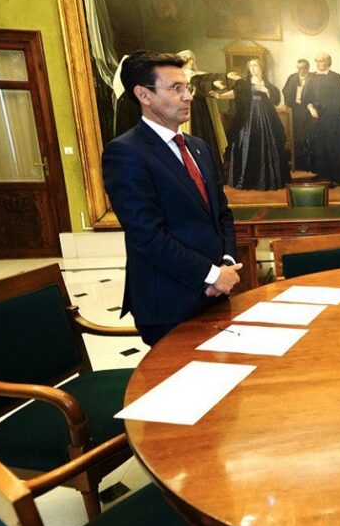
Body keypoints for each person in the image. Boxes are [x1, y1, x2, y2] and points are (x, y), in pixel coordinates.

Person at [102, 50, 241, 346]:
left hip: (216, 295)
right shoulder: (125, 152)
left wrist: (226, 264)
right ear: (144, 94)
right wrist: (211, 274)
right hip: (169, 302)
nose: (188, 96)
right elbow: (147, 236)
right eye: (176, 89)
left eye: (187, 87)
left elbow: (222, 213)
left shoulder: (198, 146)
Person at [216, 58, 290, 191]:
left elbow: (276, 100)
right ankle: (248, 180)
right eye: (251, 66)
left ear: (261, 67)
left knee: (270, 144)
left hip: (267, 117)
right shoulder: (245, 83)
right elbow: (235, 93)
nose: (253, 68)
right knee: (247, 143)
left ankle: (271, 179)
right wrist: (220, 96)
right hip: (249, 117)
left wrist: (265, 90)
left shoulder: (269, 85)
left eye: (256, 65)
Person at [176, 49, 232, 184]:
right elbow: (196, 86)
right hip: (187, 111)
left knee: (206, 138)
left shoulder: (198, 74)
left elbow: (207, 80)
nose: (191, 61)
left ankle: (211, 176)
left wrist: (219, 81)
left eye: (192, 58)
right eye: (187, 59)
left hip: (202, 110)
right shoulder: (177, 76)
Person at [302, 52, 340, 186]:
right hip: (317, 117)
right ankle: (322, 175)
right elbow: (306, 97)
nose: (319, 63)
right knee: (319, 147)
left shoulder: (336, 77)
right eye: (317, 61)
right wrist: (311, 108)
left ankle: (335, 177)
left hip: (333, 117)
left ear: (328, 62)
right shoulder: (311, 77)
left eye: (322, 61)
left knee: (334, 147)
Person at [282, 58, 313, 172]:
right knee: (298, 137)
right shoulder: (292, 77)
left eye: (302, 68)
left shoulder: (313, 78)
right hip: (296, 112)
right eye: (298, 67)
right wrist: (287, 104)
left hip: (310, 112)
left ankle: (310, 165)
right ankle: (299, 164)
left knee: (309, 138)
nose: (300, 70)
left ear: (308, 68)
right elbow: (285, 91)